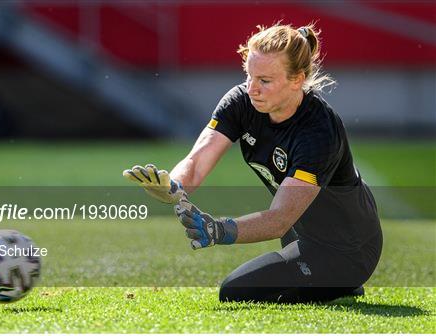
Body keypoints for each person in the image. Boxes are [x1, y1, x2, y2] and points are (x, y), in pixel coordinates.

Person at [123, 23, 382, 303]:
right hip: (301, 233)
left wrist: (218, 230)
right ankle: (331, 285)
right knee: (257, 289)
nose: (252, 89)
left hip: (348, 249)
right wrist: (173, 187)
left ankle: (342, 282)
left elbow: (279, 219)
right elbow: (197, 162)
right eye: (249, 76)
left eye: (265, 81)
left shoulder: (319, 132)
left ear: (297, 79)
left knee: (235, 292)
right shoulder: (242, 102)